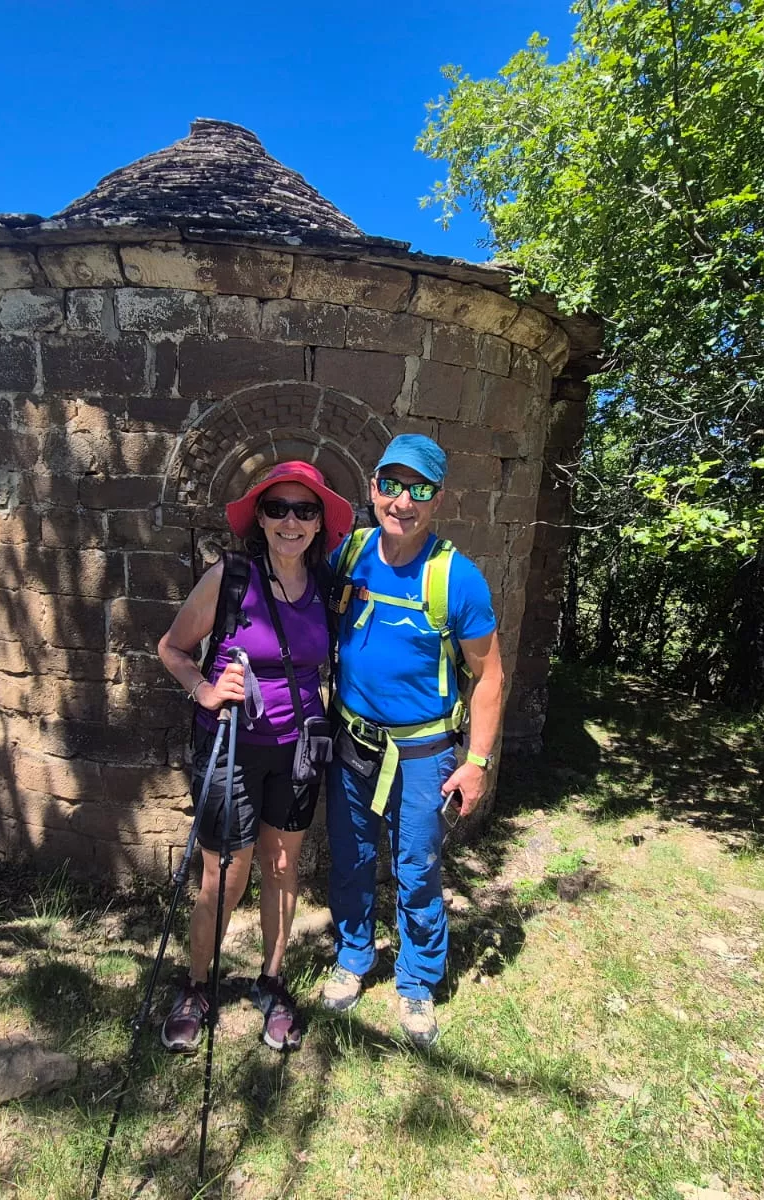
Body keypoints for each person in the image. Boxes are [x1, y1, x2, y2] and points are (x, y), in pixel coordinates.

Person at [155, 460, 354, 1052]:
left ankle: (271, 982)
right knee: (226, 874)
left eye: (305, 510)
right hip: (231, 748)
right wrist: (206, 690)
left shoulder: (326, 586)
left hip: (297, 751)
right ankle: (197, 987)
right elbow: (172, 647)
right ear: (260, 520)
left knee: (283, 868)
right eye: (277, 509)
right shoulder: (231, 577)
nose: (291, 521)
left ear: (319, 522)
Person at [321, 434, 504, 1048]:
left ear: (438, 499)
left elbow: (489, 676)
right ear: (373, 487)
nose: (403, 501)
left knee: (418, 867)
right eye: (393, 485)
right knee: (350, 857)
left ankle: (418, 979)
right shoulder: (349, 554)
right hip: (353, 741)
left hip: (424, 752)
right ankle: (353, 955)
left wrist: (476, 761)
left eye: (419, 489)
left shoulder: (456, 578)